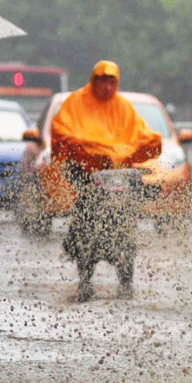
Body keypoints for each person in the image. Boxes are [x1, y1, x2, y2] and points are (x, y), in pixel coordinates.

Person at [50, 61, 161, 301]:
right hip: (85, 173)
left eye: (112, 82)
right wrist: (85, 150)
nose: (108, 87)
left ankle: (126, 281)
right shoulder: (76, 102)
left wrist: (145, 144)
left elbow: (142, 133)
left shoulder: (124, 107)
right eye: (103, 81)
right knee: (85, 218)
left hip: (118, 177)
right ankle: (85, 276)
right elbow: (61, 131)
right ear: (94, 80)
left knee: (127, 223)